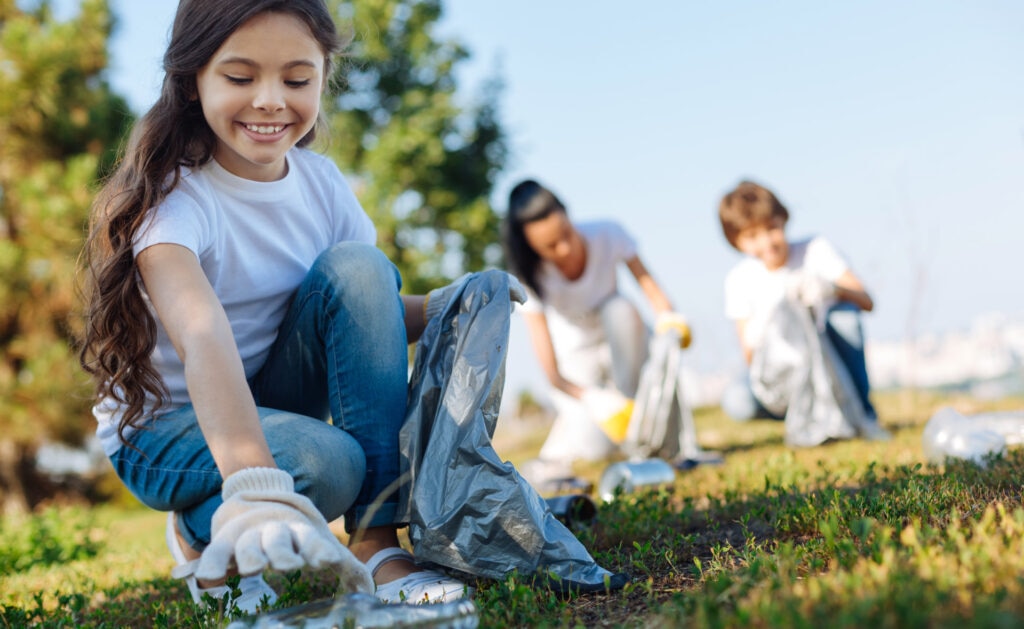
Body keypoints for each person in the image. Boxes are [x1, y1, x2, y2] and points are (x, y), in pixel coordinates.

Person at [78, 0, 468, 613]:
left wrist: (456, 303)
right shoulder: (172, 203)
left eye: (295, 79)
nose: (269, 101)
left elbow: (371, 318)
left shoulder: (321, 183)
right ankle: (204, 525)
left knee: (361, 268)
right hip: (163, 431)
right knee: (330, 464)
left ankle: (376, 544)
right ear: (191, 83)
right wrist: (258, 486)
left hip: (266, 399)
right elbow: (203, 335)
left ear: (322, 77)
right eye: (240, 78)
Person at [502, 179, 691, 488]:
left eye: (566, 235)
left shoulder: (607, 233)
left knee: (618, 308)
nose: (563, 249)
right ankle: (570, 442)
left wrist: (670, 320)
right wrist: (594, 399)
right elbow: (553, 374)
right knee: (594, 448)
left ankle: (646, 435)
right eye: (550, 247)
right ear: (531, 246)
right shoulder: (528, 276)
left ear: (567, 214)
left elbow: (652, 291)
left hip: (622, 342)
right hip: (577, 366)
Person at [716, 180, 890, 440]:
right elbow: (750, 356)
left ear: (783, 220)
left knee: (844, 317)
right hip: (785, 374)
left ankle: (863, 413)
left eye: (771, 228)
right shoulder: (739, 280)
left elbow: (867, 301)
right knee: (737, 400)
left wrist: (832, 289)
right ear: (737, 242)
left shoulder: (815, 250)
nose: (767, 243)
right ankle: (801, 414)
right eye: (752, 236)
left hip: (831, 367)